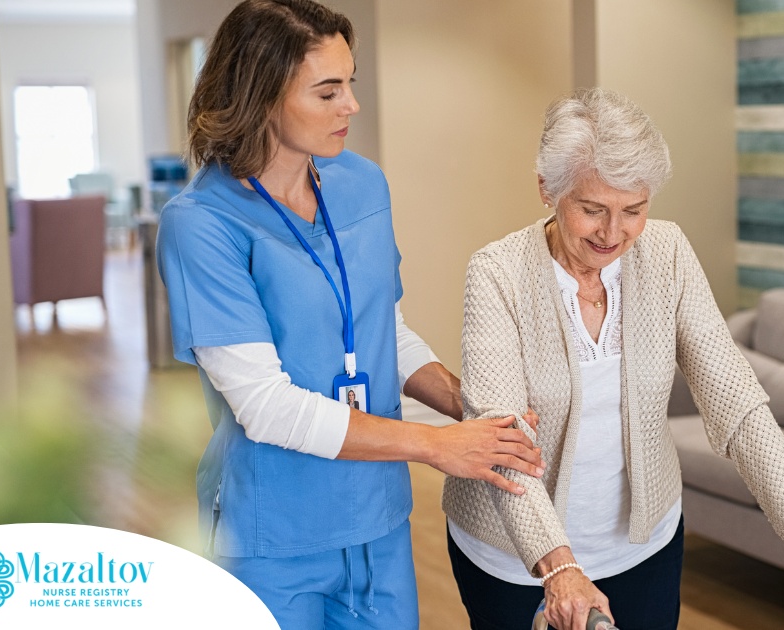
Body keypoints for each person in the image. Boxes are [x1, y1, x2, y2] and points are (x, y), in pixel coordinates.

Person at [156, 1, 545, 627]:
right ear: (260, 97)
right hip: (273, 534)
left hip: (378, 519)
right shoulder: (201, 224)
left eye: (351, 83)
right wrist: (438, 447)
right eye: (327, 90)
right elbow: (264, 404)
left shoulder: (361, 184)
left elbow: (379, 328)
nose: (351, 106)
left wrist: (470, 407)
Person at [441, 88, 784, 630]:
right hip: (514, 558)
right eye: (592, 210)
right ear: (547, 189)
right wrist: (559, 567)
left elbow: (734, 398)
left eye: (634, 209)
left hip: (642, 544)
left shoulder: (667, 251)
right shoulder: (498, 273)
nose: (614, 233)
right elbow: (502, 438)